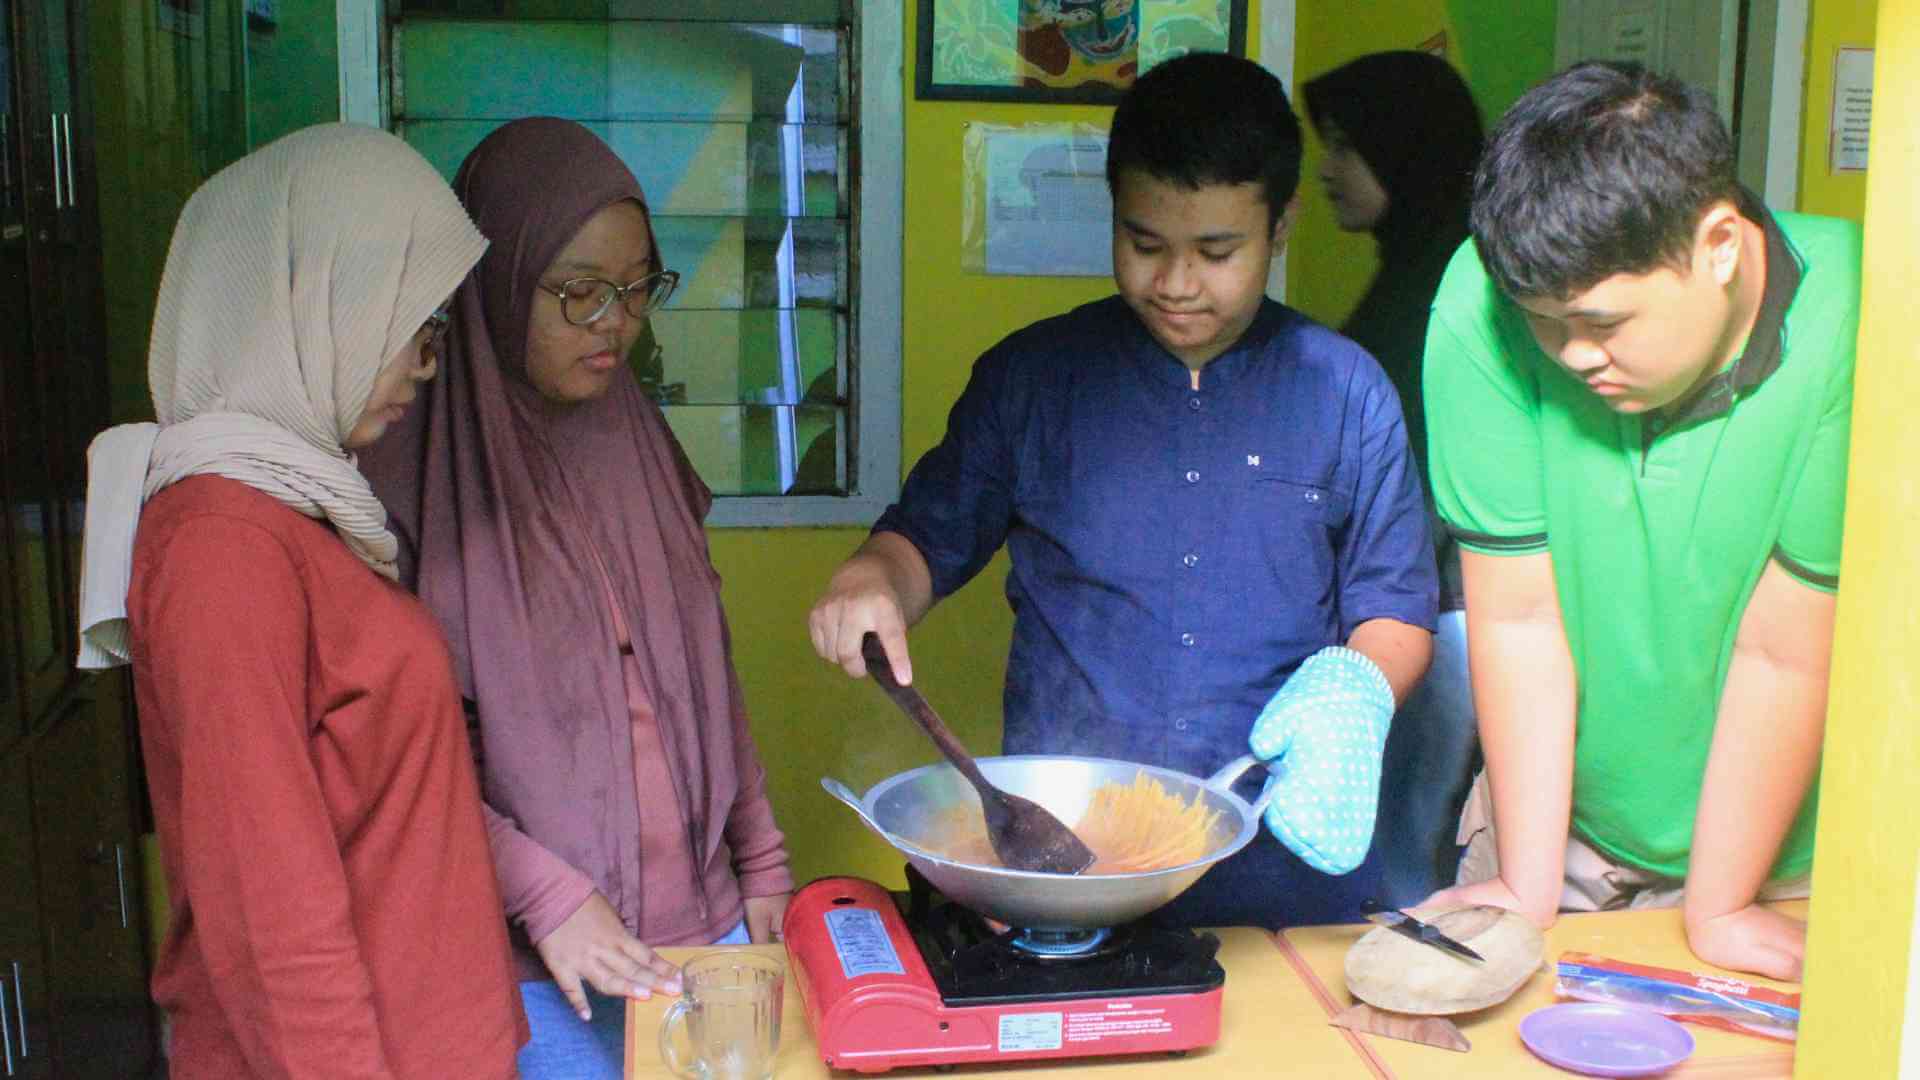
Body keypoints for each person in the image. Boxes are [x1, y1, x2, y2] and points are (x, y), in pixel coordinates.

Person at [808, 52, 1438, 929]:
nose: (1175, 284)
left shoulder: (1347, 392)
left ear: (1282, 225)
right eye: (1145, 245)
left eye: (1217, 252)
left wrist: (1355, 693)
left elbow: (1396, 610)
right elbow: (922, 540)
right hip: (1068, 857)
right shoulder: (1033, 380)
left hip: (1281, 859)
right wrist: (871, 578)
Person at [74, 124, 525, 1077]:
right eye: (412, 323)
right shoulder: (222, 546)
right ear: (321, 305)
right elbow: (268, 905)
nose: (425, 365)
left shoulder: (294, 509)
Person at [358, 117, 794, 1079]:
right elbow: (395, 760)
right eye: (579, 292)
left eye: (637, 288)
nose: (615, 323)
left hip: (709, 923)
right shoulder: (403, 486)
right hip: (535, 960)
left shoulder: (636, 442)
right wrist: (543, 895)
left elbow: (704, 668)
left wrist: (760, 856)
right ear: (497, 281)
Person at [1421, 62, 1858, 981]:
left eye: (1603, 323)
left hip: (1788, 860)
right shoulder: (1478, 306)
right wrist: (1527, 884)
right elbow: (1519, 617)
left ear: (1719, 245)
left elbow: (1784, 651)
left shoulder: (1861, 317)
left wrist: (1720, 904)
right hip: (1561, 826)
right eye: (1543, 323)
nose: (1572, 355)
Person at [1302, 50, 1485, 904]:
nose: (1328, 169)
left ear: (1405, 151)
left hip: (1440, 618)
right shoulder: (1414, 273)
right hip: (1414, 609)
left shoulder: (1449, 296)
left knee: (1404, 862)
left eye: (1348, 147)